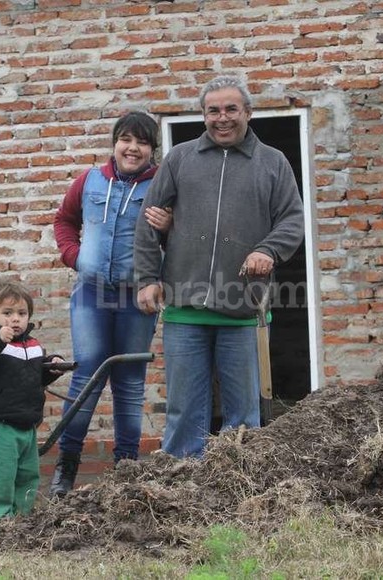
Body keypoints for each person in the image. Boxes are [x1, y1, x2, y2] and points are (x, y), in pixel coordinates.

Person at [134, 75, 305, 458]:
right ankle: (179, 482)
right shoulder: (180, 159)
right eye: (213, 110)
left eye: (231, 109)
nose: (222, 118)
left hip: (243, 309)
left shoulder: (272, 163)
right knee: (183, 409)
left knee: (244, 413)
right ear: (203, 115)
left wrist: (269, 250)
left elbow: (292, 221)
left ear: (248, 112)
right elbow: (148, 221)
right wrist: (147, 279)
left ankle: (238, 486)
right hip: (184, 308)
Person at [52, 111, 171, 497]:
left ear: (153, 149)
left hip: (136, 297)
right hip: (91, 294)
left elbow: (182, 239)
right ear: (115, 143)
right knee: (85, 377)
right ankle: (65, 470)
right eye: (126, 140)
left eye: (142, 142)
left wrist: (170, 229)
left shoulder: (162, 187)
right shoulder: (89, 181)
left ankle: (125, 471)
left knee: (130, 383)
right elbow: (64, 221)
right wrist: (74, 256)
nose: (133, 148)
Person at [0, 280, 68, 521]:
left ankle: (22, 520)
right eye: (7, 313)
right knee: (1, 477)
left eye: (21, 313)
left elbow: (33, 377)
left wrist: (52, 366)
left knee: (27, 476)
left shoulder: (32, 346)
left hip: (27, 426)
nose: (15, 319)